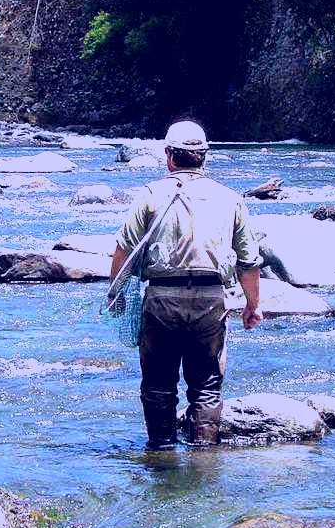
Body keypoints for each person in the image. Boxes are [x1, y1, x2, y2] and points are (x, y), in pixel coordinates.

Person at [109, 121, 263, 448]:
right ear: (204, 156)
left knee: (158, 385)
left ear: (168, 156)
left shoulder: (150, 195)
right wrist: (253, 306)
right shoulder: (230, 198)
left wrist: (117, 293)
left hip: (161, 298)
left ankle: (161, 454)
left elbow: (124, 249)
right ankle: (204, 459)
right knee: (206, 387)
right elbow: (249, 262)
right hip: (211, 300)